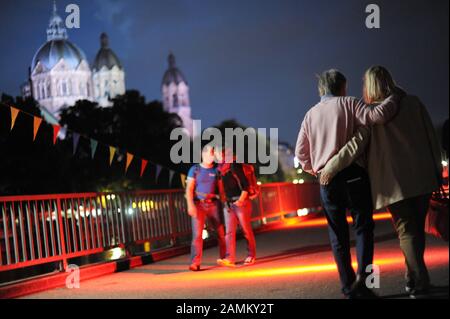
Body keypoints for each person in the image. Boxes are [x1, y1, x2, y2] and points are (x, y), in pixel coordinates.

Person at [320, 66, 442, 299]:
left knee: (407, 231)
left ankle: (419, 280)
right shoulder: (414, 103)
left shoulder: (369, 114)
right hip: (423, 177)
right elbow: (432, 139)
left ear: (369, 86)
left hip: (393, 183)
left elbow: (356, 146)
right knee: (416, 228)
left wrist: (330, 168)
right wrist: (437, 172)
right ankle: (413, 276)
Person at [295, 69, 404, 299]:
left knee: (337, 235)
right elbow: (377, 117)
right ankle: (362, 283)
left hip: (327, 180)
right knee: (363, 228)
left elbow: (301, 154)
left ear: (321, 89)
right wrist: (394, 96)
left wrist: (316, 170)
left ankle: (347, 287)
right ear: (342, 86)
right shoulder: (350, 103)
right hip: (354, 175)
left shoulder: (310, 115)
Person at [186, 145, 226, 271]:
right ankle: (195, 262)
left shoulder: (216, 170)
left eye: (213, 154)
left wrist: (225, 203)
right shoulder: (195, 169)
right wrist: (190, 205)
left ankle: (225, 258)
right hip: (199, 205)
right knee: (197, 235)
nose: (211, 156)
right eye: (209, 153)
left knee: (221, 233)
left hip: (214, 204)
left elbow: (221, 189)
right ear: (203, 154)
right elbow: (189, 189)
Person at [215, 146, 256, 267]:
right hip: (228, 203)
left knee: (246, 229)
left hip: (241, 202)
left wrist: (241, 200)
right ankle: (230, 258)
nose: (216, 155)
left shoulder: (234, 164)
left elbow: (245, 184)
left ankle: (251, 255)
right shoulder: (220, 169)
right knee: (229, 232)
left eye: (217, 153)